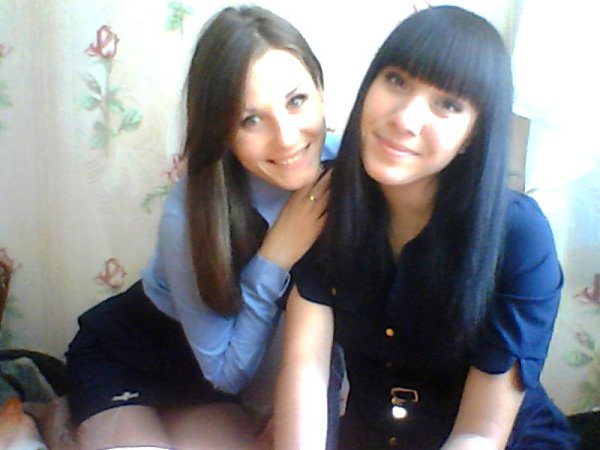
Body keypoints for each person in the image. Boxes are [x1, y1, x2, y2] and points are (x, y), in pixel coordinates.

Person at [275, 6, 579, 450]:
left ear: (473, 135)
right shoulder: (326, 201)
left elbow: (480, 433)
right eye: (397, 80)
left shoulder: (518, 236)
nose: (406, 119)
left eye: (448, 104)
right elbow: (306, 370)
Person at [65, 6, 342, 450]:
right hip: (131, 357)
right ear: (222, 130)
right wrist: (275, 255)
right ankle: (47, 423)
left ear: (321, 91)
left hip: (205, 388)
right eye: (251, 119)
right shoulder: (191, 210)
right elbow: (227, 371)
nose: (287, 138)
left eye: (297, 101)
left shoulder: (348, 168)